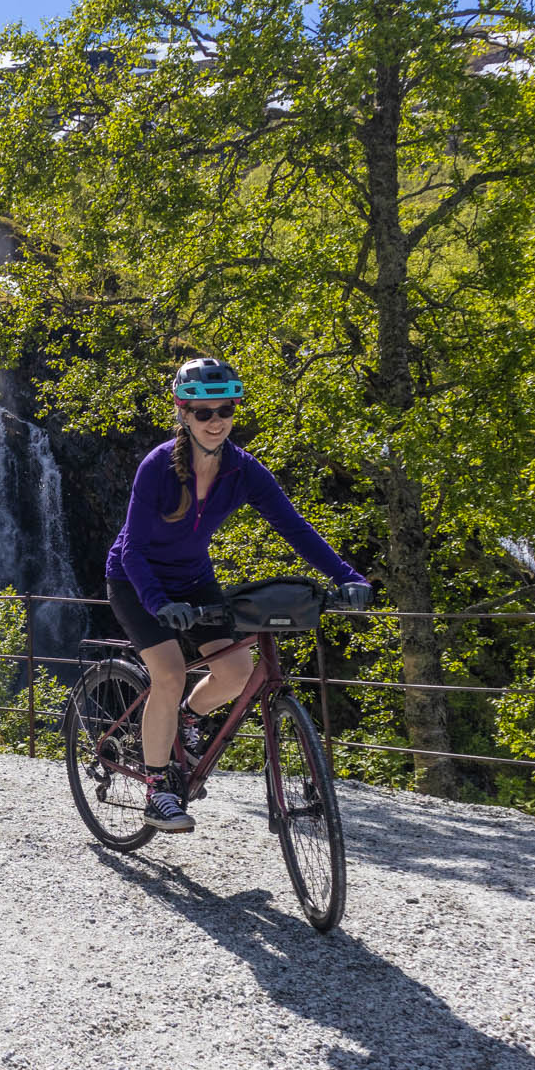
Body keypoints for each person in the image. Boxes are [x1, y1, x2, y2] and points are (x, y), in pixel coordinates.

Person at [104, 357, 372, 832]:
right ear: (183, 413)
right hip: (135, 579)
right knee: (168, 674)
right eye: (203, 412)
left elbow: (294, 527)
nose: (216, 421)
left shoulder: (244, 470)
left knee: (235, 672)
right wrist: (160, 604)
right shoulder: (158, 468)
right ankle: (157, 789)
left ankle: (187, 720)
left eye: (225, 409)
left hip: (193, 578)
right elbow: (135, 550)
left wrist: (347, 575)